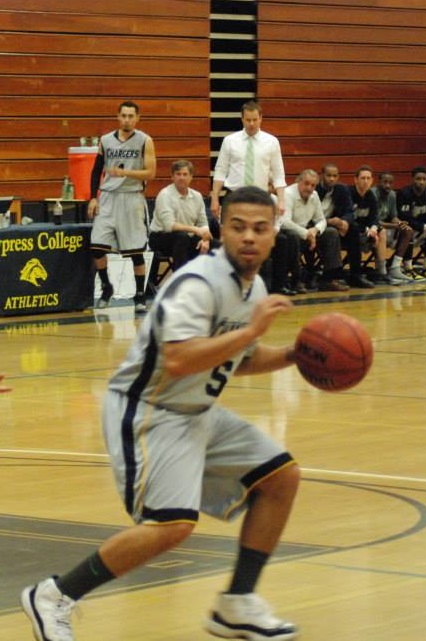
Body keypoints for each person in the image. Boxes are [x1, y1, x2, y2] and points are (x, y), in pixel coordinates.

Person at [21, 186, 301, 641]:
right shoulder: (198, 283)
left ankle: (236, 603)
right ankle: (54, 595)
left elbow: (239, 359)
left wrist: (294, 354)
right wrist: (251, 330)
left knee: (281, 478)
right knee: (171, 525)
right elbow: (179, 358)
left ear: (273, 235)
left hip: (196, 410)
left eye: (260, 228)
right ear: (221, 230)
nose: (249, 237)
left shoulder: (254, 290)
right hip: (149, 409)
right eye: (238, 227)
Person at [88, 100, 156, 313]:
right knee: (97, 246)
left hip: (131, 196)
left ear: (137, 118)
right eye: (123, 115)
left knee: (135, 250)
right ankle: (107, 287)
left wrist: (126, 173)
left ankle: (139, 295)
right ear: (118, 117)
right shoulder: (106, 140)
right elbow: (96, 170)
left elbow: (151, 173)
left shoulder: (145, 140)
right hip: (108, 197)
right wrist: (93, 197)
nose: (127, 119)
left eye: (131, 116)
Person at [211, 100, 286, 218]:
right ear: (242, 119)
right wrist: (214, 199)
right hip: (234, 196)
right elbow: (220, 171)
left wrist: (281, 201)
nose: (251, 124)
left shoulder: (272, 142)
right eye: (248, 120)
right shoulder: (229, 141)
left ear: (261, 118)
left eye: (255, 120)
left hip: (260, 197)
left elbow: (278, 175)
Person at [281, 169, 349, 292]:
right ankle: (296, 280)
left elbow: (322, 220)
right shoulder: (287, 194)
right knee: (292, 236)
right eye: (306, 183)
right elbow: (285, 222)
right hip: (291, 233)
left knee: (331, 233)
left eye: (313, 185)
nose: (309, 188)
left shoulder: (314, 195)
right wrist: (306, 233)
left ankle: (328, 279)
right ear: (298, 181)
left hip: (308, 232)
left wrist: (315, 230)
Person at [315, 163, 375, 288]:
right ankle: (330, 276)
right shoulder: (315, 189)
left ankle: (355, 275)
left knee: (353, 230)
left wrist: (344, 222)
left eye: (335, 176)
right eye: (328, 175)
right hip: (316, 226)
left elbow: (349, 211)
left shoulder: (342, 189)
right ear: (321, 176)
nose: (332, 179)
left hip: (335, 225)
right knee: (332, 231)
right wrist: (328, 221)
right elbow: (309, 215)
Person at [149, 159, 214, 270]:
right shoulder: (165, 195)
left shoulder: (197, 196)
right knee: (182, 238)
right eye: (178, 174)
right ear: (172, 177)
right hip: (160, 238)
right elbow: (169, 226)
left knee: (215, 245)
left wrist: (205, 240)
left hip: (187, 236)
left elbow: (203, 223)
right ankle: (182, 281)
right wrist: (196, 230)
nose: (181, 177)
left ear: (191, 177)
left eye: (185, 174)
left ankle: (206, 282)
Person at [349, 165, 391, 283]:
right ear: (356, 179)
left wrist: (373, 228)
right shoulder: (349, 194)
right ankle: (356, 274)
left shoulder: (371, 196)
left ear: (372, 180)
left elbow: (374, 218)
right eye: (363, 178)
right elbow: (348, 218)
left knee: (381, 231)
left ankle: (381, 272)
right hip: (350, 232)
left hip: (365, 231)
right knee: (355, 230)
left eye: (368, 178)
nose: (366, 181)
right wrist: (367, 229)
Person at [371, 171, 414, 284]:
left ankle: (395, 267)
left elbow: (393, 216)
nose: (388, 185)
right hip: (374, 228)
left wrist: (399, 223)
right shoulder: (372, 194)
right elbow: (374, 221)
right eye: (385, 182)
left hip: (387, 227)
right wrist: (394, 226)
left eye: (390, 183)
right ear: (378, 182)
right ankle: (381, 270)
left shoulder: (392, 195)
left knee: (408, 230)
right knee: (382, 231)